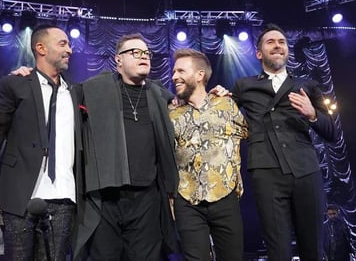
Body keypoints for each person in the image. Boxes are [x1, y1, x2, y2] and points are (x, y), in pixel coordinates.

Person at [223, 23, 337, 261]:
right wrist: (218, 97)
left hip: (305, 170)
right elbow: (224, 115)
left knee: (313, 246)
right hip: (267, 172)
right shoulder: (244, 85)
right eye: (271, 42)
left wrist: (313, 114)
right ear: (258, 53)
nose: (277, 45)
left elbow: (332, 133)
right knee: (277, 248)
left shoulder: (306, 85)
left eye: (282, 42)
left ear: (287, 50)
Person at [0, 24, 83, 260]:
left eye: (69, 44)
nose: (70, 49)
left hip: (63, 196)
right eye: (62, 43)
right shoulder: (15, 84)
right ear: (40, 48)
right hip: (20, 193)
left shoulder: (76, 92)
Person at [71, 33, 178, 260]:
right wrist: (27, 74)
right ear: (118, 60)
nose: (144, 57)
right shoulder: (93, 89)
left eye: (147, 53)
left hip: (147, 196)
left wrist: (217, 93)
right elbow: (60, 95)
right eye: (135, 52)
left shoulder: (159, 95)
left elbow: (191, 101)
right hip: (107, 197)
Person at [168, 48, 248, 261]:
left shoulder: (227, 104)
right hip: (187, 200)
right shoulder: (171, 115)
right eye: (174, 72)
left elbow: (250, 132)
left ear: (200, 75)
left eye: (181, 71)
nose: (174, 76)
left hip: (225, 196)